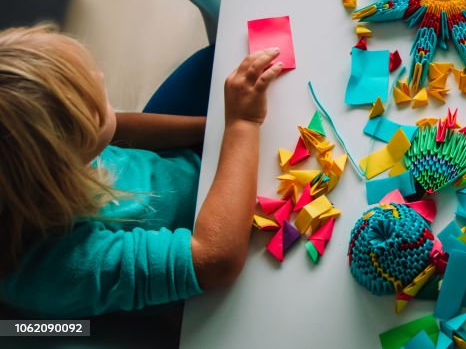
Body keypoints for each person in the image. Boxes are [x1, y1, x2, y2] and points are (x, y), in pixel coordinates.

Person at [0, 25, 285, 314]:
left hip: (201, 178)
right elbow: (216, 261)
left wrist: (215, 128)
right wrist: (242, 123)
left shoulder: (43, 158)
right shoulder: (61, 266)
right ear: (59, 166)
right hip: (215, 251)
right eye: (98, 105)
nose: (99, 76)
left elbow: (117, 129)